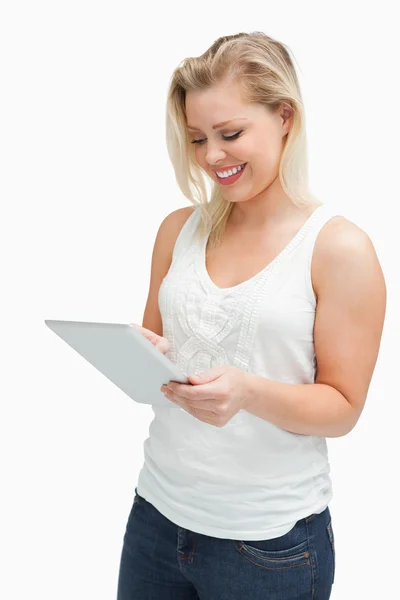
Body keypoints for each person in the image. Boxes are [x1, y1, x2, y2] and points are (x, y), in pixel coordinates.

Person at [116, 32, 386, 599]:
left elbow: (342, 409)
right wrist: (143, 355)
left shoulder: (338, 249)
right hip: (157, 518)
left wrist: (248, 391)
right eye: (197, 138)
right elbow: (158, 366)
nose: (213, 156)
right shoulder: (177, 230)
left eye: (231, 133)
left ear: (284, 116)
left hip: (269, 547)